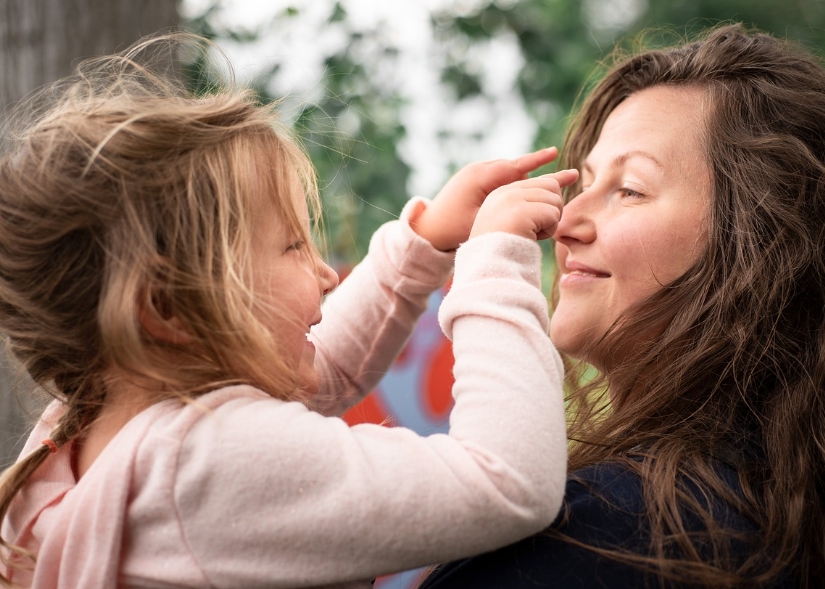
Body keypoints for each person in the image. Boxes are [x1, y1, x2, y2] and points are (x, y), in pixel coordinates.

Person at [0, 35, 576, 588]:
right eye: (294, 246)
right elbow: (505, 482)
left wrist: (421, 243)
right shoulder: (206, 462)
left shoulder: (82, 430)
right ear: (167, 308)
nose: (327, 275)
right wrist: (495, 260)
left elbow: (321, 371)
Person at [420, 23, 825, 589]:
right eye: (582, 183)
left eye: (629, 189)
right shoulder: (780, 506)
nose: (563, 221)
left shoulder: (605, 535)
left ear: (755, 242)